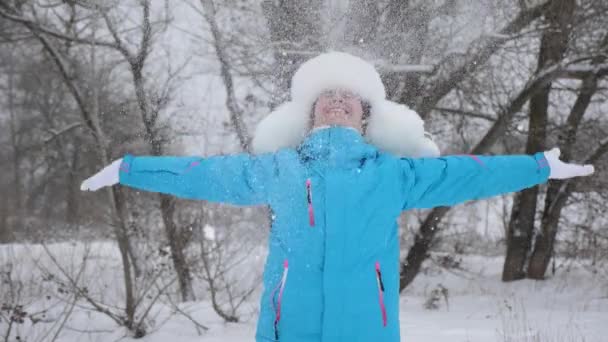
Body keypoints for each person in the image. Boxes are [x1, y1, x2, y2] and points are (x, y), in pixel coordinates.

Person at [81, 52, 594, 342]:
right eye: (328, 96)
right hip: (287, 329)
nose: (338, 100)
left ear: (365, 120)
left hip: (365, 331)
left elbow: (468, 172)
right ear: (310, 114)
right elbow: (199, 173)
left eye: (350, 98)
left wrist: (539, 166)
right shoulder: (276, 170)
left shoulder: (393, 174)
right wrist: (131, 168)